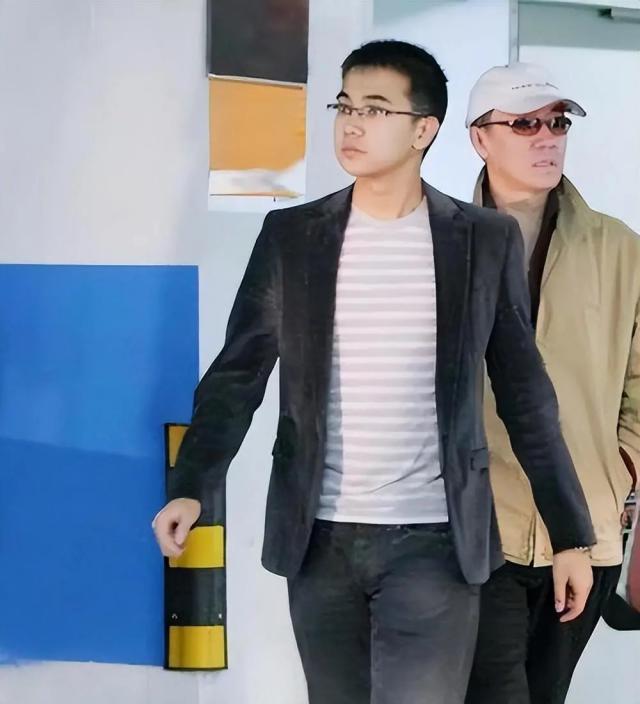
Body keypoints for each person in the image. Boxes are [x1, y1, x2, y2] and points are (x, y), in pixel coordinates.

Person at [153, 42, 595, 704]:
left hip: (436, 542)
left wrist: (570, 537)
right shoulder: (293, 236)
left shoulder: (481, 239)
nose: (353, 124)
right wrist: (192, 485)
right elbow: (237, 374)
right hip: (319, 539)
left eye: (377, 109)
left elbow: (525, 396)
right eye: (345, 106)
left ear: (424, 130)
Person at [464, 62, 640, 704]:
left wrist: (623, 466)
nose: (547, 138)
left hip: (586, 526)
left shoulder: (618, 248)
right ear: (480, 139)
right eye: (524, 124)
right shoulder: (446, 243)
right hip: (478, 526)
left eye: (558, 123)